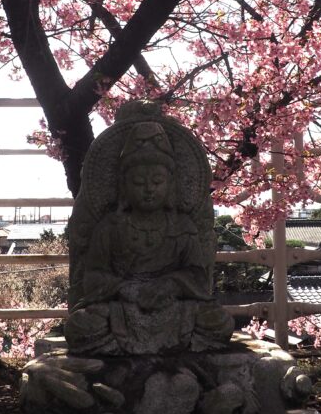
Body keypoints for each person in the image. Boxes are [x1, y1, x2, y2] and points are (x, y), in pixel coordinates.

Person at [66, 121, 233, 354]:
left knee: (219, 321)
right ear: (123, 186)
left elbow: (198, 276)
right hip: (121, 310)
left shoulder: (183, 227)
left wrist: (170, 285)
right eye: (138, 182)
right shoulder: (111, 227)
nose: (148, 190)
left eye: (157, 182)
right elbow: (92, 276)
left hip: (172, 308)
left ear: (171, 185)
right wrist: (126, 288)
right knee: (80, 326)